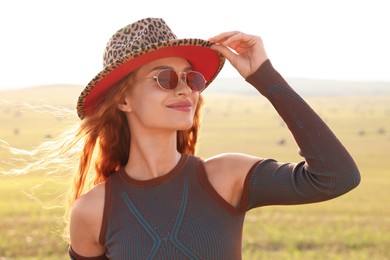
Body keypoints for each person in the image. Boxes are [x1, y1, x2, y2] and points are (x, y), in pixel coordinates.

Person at [68, 17, 360, 259]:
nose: (185, 90)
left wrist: (263, 76)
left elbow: (337, 176)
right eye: (165, 79)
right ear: (123, 101)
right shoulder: (93, 211)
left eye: (191, 78)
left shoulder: (225, 177)